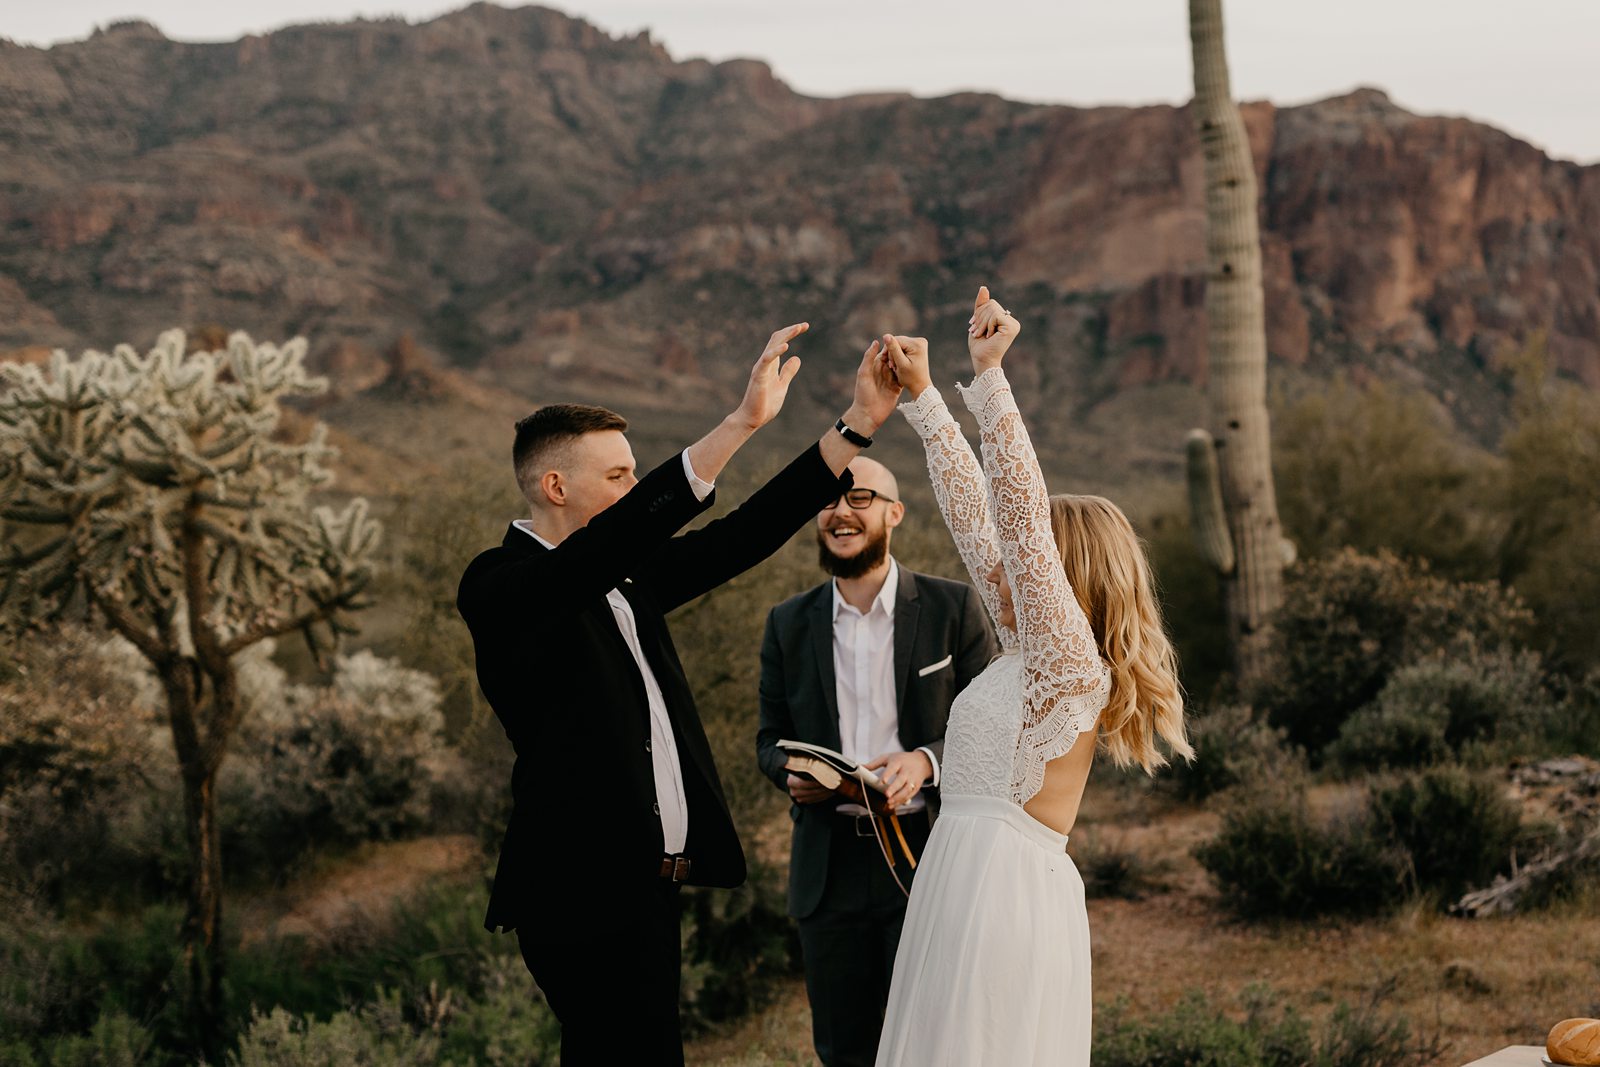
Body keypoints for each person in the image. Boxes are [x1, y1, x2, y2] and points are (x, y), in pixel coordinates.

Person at [456, 323, 903, 1066]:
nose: (635, 491)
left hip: (648, 888)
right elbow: (606, 547)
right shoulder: (503, 585)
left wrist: (855, 427)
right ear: (555, 486)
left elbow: (742, 535)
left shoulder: (626, 583)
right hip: (579, 889)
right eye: (620, 476)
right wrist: (741, 423)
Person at [873, 288, 1192, 1066]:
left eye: (1034, 557)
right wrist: (922, 400)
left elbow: (1015, 514)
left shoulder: (1070, 665)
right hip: (959, 885)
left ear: (1062, 569)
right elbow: (976, 515)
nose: (1008, 564)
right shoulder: (1026, 651)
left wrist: (990, 377)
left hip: (1002, 903)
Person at [755, 456, 997, 1067]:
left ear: (895, 513)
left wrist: (924, 761)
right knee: (843, 1049)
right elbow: (769, 738)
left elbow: (994, 733)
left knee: (936, 1042)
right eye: (831, 499)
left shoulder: (954, 608)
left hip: (926, 854)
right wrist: (787, 773)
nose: (841, 510)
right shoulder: (787, 622)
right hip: (827, 867)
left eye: (859, 497)